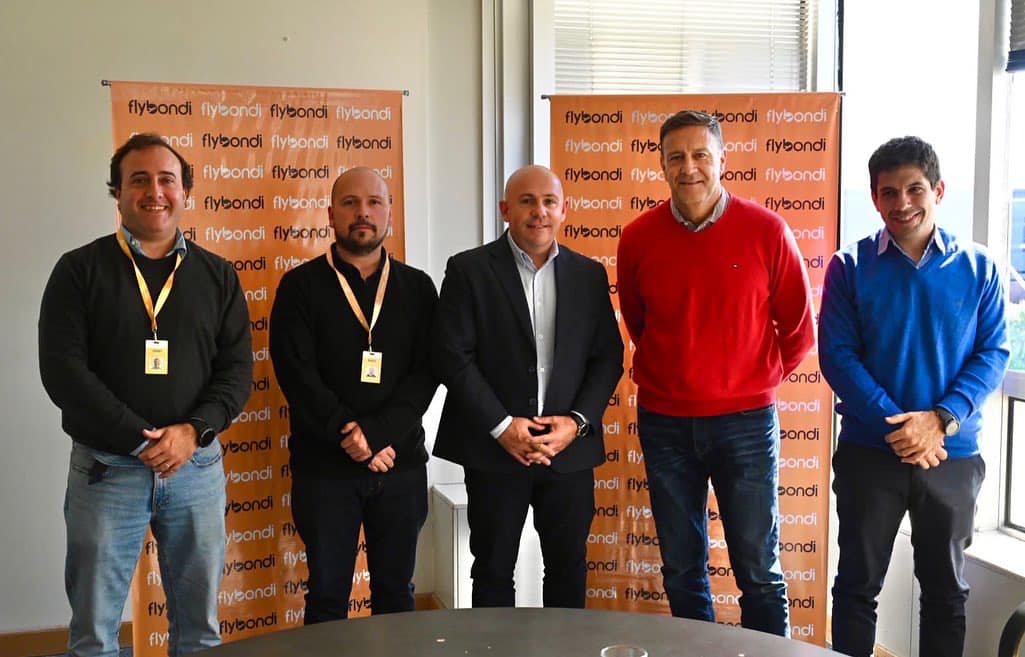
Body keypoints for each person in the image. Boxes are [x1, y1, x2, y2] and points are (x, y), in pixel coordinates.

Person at [38, 133, 253, 657]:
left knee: (200, 633)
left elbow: (236, 373)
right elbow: (63, 372)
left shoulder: (217, 275)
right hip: (107, 470)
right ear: (117, 193)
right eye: (139, 180)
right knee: (94, 635)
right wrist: (141, 439)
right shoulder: (78, 270)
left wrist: (191, 433)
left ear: (186, 193)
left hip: (195, 469)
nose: (154, 192)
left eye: (166, 180)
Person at [616, 110, 815, 636]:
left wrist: (750, 380)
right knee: (682, 568)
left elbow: (799, 329)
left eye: (701, 155)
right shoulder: (637, 238)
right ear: (661, 164)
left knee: (758, 570)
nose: (689, 168)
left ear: (722, 159)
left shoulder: (767, 231)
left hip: (746, 424)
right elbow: (640, 323)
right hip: (665, 423)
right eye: (676, 157)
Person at [819, 136, 1008, 657]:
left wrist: (940, 419)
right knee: (856, 587)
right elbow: (837, 356)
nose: (902, 203)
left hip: (951, 454)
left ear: (938, 191)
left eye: (915, 189)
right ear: (874, 198)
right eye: (889, 192)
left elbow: (993, 353)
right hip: (870, 453)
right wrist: (902, 427)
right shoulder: (849, 266)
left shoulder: (980, 268)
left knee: (946, 593)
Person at [433, 165, 623, 608]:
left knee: (568, 568)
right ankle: (494, 646)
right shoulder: (468, 270)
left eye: (549, 202)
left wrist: (576, 423)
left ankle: (564, 647)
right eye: (526, 201)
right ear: (505, 210)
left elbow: (607, 358)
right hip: (494, 449)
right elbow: (451, 356)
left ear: (564, 210)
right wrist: (503, 427)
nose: (539, 211)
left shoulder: (589, 275)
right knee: (493, 570)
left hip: (568, 452)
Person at [270, 167, 437, 623]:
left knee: (396, 592)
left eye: (374, 202)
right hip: (325, 469)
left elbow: (427, 374)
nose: (363, 212)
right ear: (330, 215)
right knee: (326, 595)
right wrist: (353, 436)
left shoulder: (418, 287)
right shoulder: (299, 287)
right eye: (350, 203)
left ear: (389, 215)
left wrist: (377, 435)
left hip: (399, 466)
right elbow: (297, 375)